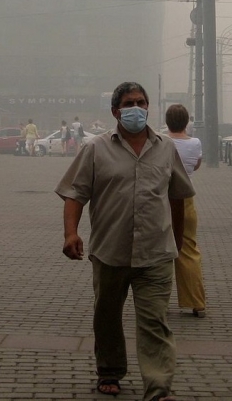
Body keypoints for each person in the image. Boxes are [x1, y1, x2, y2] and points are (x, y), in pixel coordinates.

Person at [56, 82, 195, 401]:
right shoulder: (96, 149)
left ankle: (158, 388)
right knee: (106, 316)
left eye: (142, 102)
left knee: (155, 322)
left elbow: (177, 197)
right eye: (130, 103)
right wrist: (70, 233)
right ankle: (110, 370)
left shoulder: (165, 148)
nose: (137, 108)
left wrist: (177, 241)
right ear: (116, 111)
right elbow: (75, 194)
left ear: (149, 107)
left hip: (156, 252)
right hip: (110, 251)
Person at [165, 104, 206, 318]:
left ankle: (157, 301)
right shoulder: (195, 143)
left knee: (159, 251)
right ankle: (196, 302)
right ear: (187, 122)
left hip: (161, 199)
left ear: (167, 121)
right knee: (188, 249)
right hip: (186, 198)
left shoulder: (161, 142)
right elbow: (196, 165)